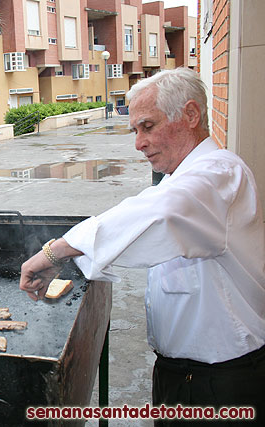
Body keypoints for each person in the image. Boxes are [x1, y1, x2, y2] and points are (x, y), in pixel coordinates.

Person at [19, 68, 265, 424]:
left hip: (222, 383)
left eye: (147, 127)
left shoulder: (220, 173)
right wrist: (69, 259)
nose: (138, 143)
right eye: (135, 130)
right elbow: (141, 232)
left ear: (191, 115)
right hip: (182, 378)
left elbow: (161, 215)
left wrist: (55, 250)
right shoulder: (178, 180)